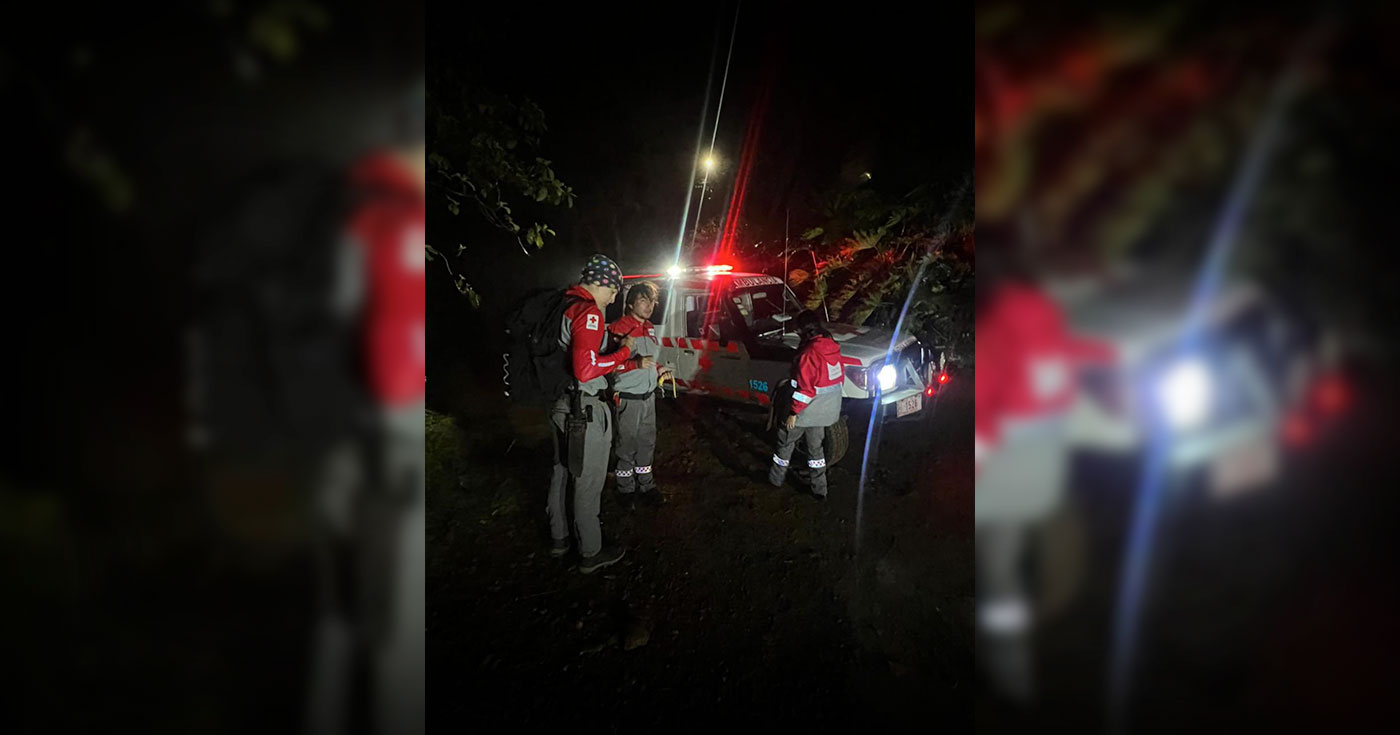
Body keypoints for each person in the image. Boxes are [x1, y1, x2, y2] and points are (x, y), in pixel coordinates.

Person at [306, 77, 426, 735]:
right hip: (381, 437)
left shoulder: (364, 215)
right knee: (389, 617)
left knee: (349, 607)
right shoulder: (379, 219)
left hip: (365, 434)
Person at [974, 248, 1115, 708]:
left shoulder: (994, 332)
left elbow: (984, 414)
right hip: (1048, 461)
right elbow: (1077, 353)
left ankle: (1011, 671)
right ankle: (1071, 630)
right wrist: (1110, 357)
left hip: (1010, 466)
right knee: (1059, 538)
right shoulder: (1046, 318)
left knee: (998, 571)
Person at [548, 254, 633, 573]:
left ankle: (560, 539)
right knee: (587, 481)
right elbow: (585, 369)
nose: (613, 299)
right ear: (602, 284)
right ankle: (591, 552)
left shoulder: (561, 305)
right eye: (613, 291)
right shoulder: (588, 312)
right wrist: (623, 353)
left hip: (558, 403)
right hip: (583, 411)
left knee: (560, 474)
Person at [607, 280, 671, 508]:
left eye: (652, 301)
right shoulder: (618, 328)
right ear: (630, 303)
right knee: (626, 445)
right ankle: (625, 490)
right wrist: (635, 365)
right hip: (628, 398)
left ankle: (647, 485)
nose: (649, 305)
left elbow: (649, 360)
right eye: (644, 300)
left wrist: (659, 368)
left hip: (648, 398)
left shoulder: (650, 327)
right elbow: (608, 366)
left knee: (647, 443)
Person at [768, 310, 845, 499]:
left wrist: (793, 413)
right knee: (816, 451)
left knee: (785, 443)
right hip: (825, 411)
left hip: (805, 411)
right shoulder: (831, 347)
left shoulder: (809, 354)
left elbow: (805, 391)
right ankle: (820, 489)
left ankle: (775, 480)